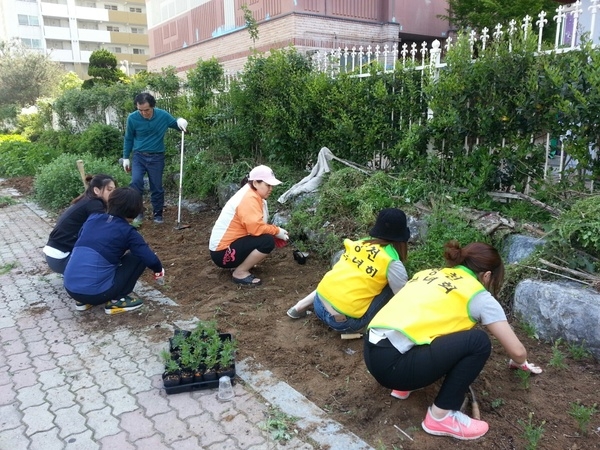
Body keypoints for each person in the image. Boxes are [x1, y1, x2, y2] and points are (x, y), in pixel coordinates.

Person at [363, 240, 543, 441]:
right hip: (396, 368)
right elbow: (517, 351)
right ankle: (441, 416)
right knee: (478, 342)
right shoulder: (478, 295)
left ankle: (404, 387)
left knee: (443, 327)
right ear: (487, 275)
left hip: (371, 351)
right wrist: (521, 363)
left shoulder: (429, 274)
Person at [287, 208, 410, 334]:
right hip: (342, 323)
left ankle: (300, 306)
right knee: (392, 286)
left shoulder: (358, 244)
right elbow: (402, 297)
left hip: (318, 304)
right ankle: (370, 328)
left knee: (344, 276)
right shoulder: (391, 262)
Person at [63, 187, 165, 314]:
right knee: (138, 256)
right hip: (97, 293)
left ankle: (83, 302)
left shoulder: (93, 218)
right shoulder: (128, 232)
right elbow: (149, 258)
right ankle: (116, 301)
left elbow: (81, 237)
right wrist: (158, 271)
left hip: (71, 289)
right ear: (134, 210)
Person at [209, 165, 289, 286]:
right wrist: (276, 231)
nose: (271, 188)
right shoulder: (249, 198)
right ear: (256, 183)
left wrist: (273, 232)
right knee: (266, 241)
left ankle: (239, 265)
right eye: (268, 185)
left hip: (223, 249)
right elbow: (255, 229)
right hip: (222, 253)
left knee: (266, 237)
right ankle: (240, 272)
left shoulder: (251, 194)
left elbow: (255, 226)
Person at [122, 92, 188, 225]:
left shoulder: (162, 115)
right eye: (140, 110)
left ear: (152, 107)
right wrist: (125, 157)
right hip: (139, 156)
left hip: (157, 157)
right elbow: (128, 138)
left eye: (146, 110)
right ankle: (138, 212)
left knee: (156, 186)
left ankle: (158, 213)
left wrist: (181, 122)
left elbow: (177, 126)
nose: (143, 113)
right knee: (136, 183)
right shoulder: (132, 118)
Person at [43, 174, 116, 274]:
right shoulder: (95, 204)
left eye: (114, 190)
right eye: (109, 189)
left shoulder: (87, 200)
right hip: (61, 258)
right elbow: (103, 231)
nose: (113, 193)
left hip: (54, 255)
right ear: (96, 190)